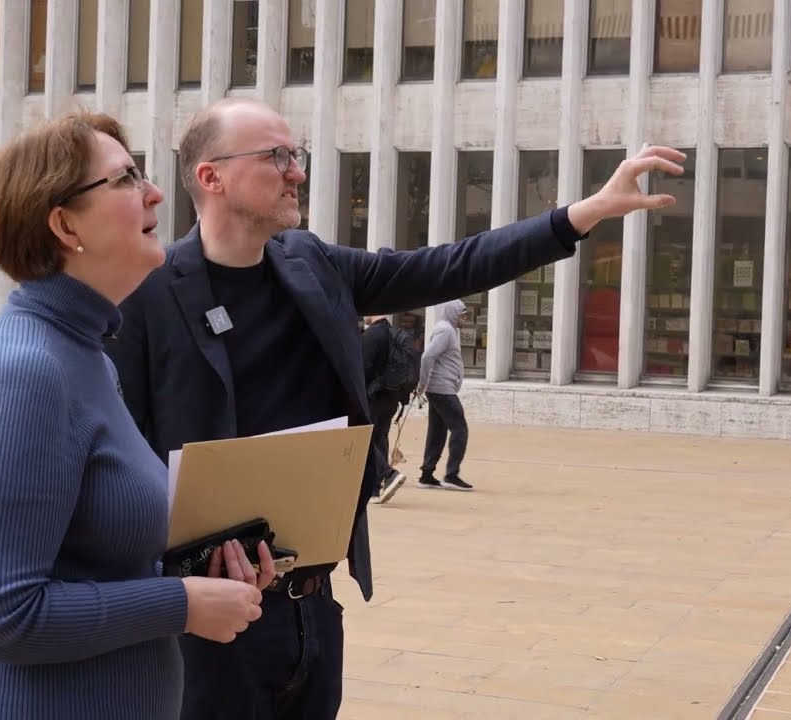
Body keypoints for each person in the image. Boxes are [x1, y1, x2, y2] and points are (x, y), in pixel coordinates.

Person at [107, 96, 684, 720]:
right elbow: (121, 455)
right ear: (211, 176)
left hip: (311, 608)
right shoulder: (149, 294)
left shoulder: (314, 264)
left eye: (294, 155)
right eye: (276, 157)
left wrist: (582, 215)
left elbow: (446, 266)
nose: (296, 171)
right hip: (210, 624)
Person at [0, 111, 275, 720]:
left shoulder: (84, 355)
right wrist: (180, 603)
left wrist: (201, 570)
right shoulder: (25, 371)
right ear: (64, 224)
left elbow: (91, 557)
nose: (155, 192)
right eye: (124, 179)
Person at [416, 299, 472, 490]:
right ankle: (451, 474)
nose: (464, 319)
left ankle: (426, 474)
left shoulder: (449, 329)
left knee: (437, 432)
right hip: (442, 389)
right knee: (460, 429)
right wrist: (422, 384)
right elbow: (427, 356)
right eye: (462, 315)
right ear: (453, 313)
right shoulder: (446, 330)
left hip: (440, 388)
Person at [360, 314, 407, 504]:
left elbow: (363, 368)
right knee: (380, 438)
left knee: (366, 440)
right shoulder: (393, 333)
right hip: (391, 396)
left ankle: (388, 474)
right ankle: (375, 489)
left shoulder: (371, 335)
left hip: (373, 395)